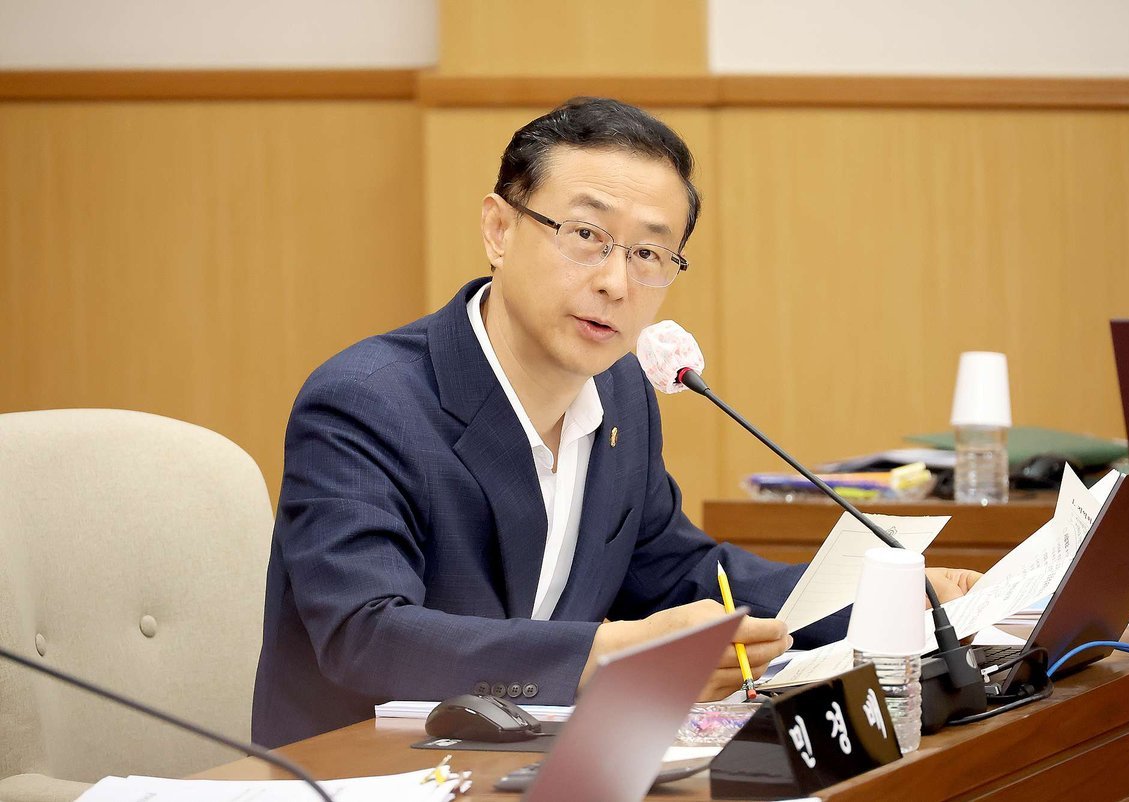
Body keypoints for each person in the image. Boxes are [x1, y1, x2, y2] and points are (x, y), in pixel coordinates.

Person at [251, 97, 979, 748]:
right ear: (499, 230)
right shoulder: (366, 402)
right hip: (362, 771)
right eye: (585, 235)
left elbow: (677, 574)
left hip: (532, 766)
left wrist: (880, 600)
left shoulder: (621, 393)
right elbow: (364, 634)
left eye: (649, 253)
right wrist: (603, 656)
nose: (615, 281)